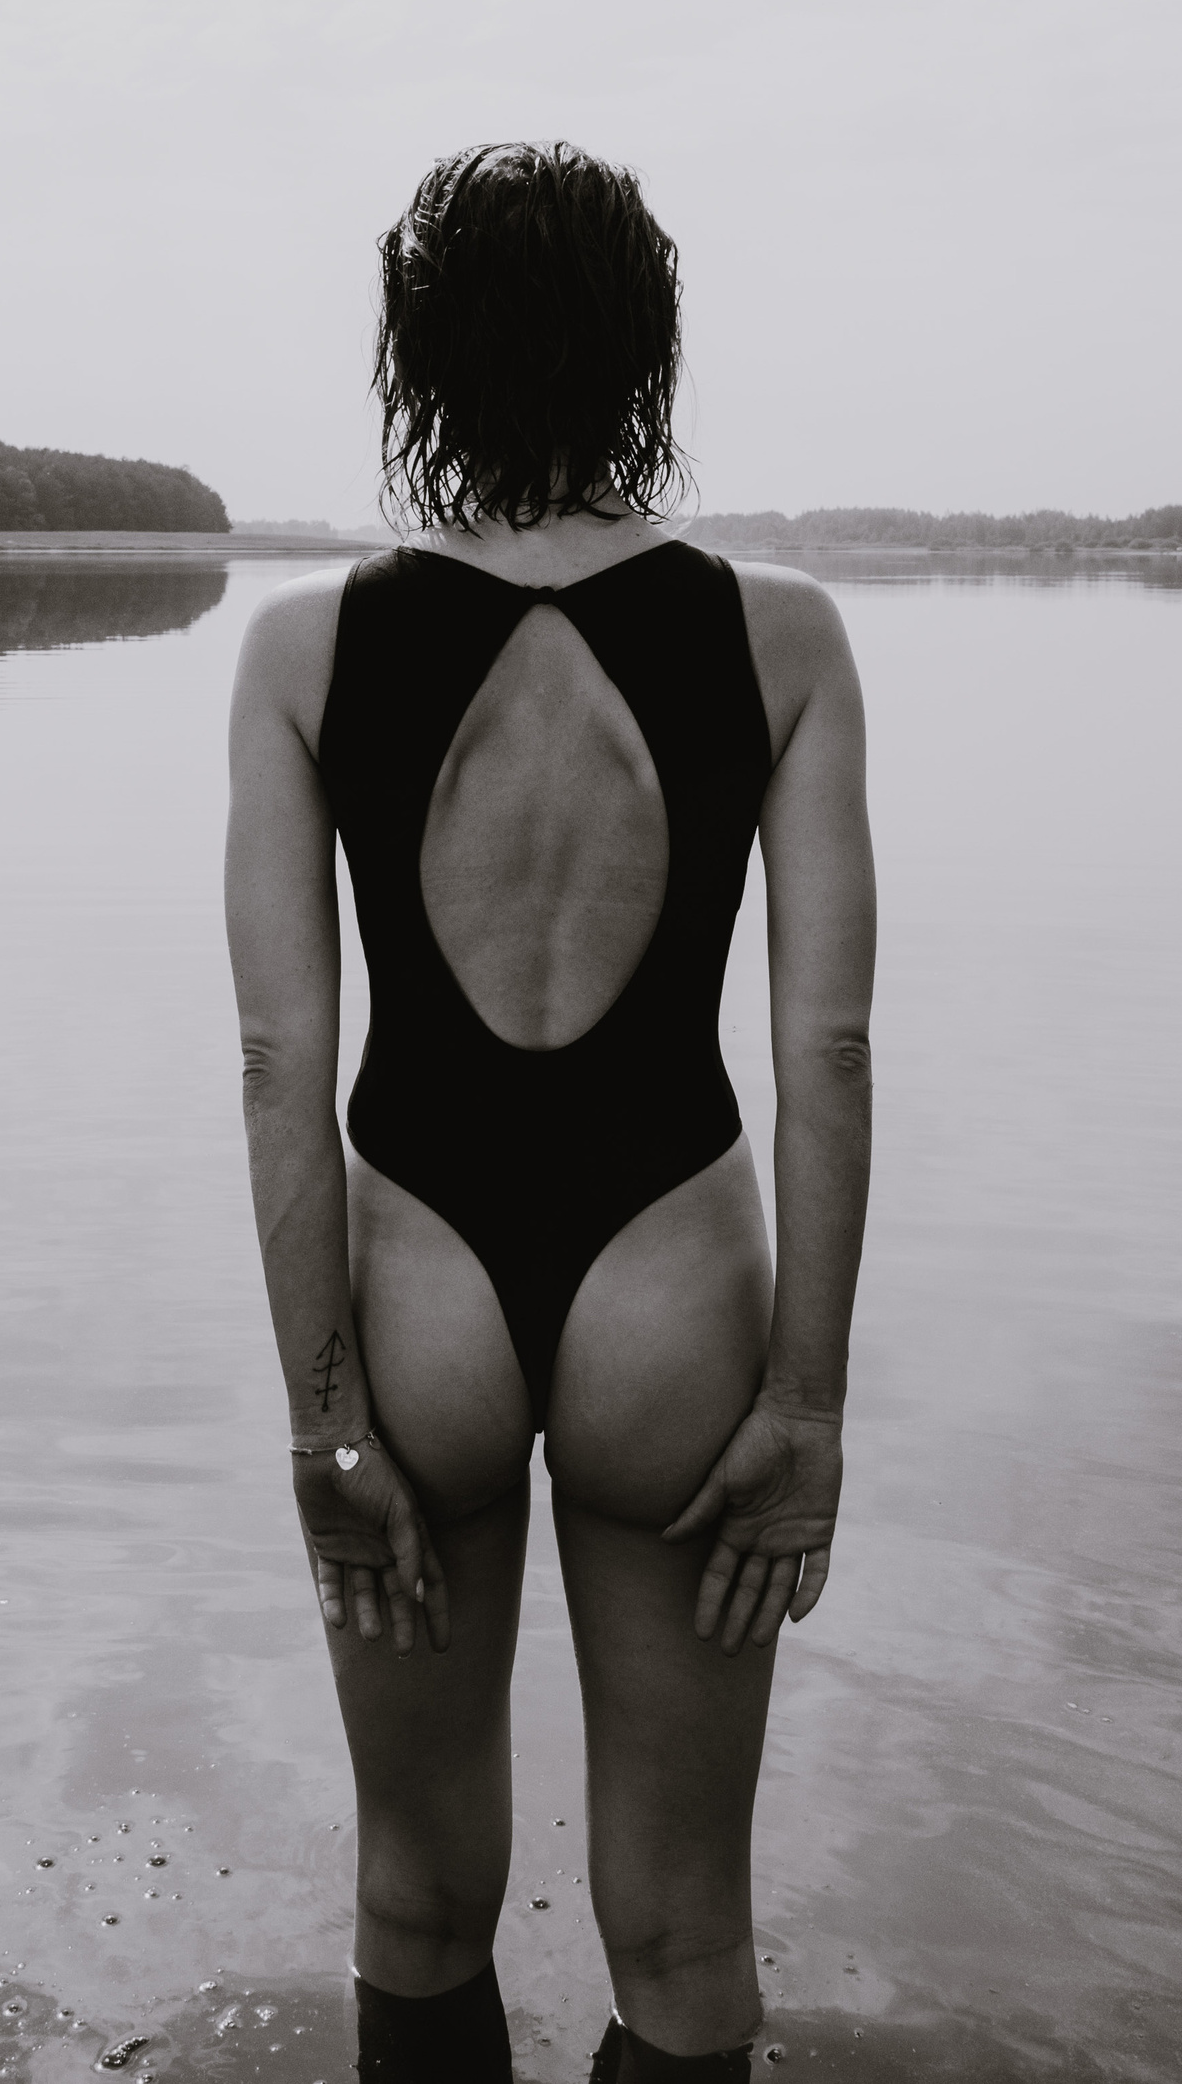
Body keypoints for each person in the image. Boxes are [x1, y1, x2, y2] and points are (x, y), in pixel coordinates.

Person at [224, 143, 875, 2083]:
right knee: (685, 1931)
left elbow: (276, 1062)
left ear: (419, 361)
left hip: (414, 1287)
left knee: (417, 1898)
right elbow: (830, 1052)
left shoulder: (302, 650)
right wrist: (808, 1405)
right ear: (642, 354)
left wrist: (325, 1419)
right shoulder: (783, 636)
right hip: (671, 1289)